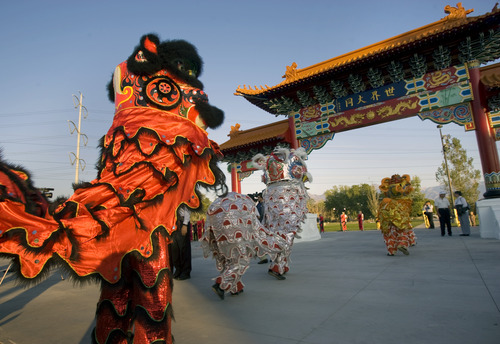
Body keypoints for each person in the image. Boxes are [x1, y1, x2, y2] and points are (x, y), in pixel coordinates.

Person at [170, 207, 192, 280]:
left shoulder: (183, 195)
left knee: (184, 248)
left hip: (182, 222)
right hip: (172, 223)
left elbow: (187, 209)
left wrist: (185, 224)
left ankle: (186, 271)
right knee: (174, 249)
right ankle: (178, 269)